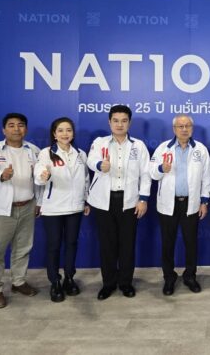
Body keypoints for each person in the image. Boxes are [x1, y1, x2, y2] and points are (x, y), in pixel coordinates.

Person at [86, 105, 151, 300]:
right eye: (115, 120)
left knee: (127, 245)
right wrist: (100, 165)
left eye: (124, 121)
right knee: (107, 245)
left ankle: (125, 283)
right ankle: (108, 284)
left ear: (129, 123)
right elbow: (90, 161)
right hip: (104, 202)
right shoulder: (100, 143)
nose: (119, 124)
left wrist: (143, 199)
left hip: (129, 202)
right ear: (109, 122)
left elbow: (146, 174)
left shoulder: (138, 146)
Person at [0, 112, 40, 309]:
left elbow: (39, 179)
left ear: (26, 129)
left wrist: (39, 202)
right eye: (11, 125)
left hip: (27, 206)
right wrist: (2, 175)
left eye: (20, 125)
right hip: (0, 209)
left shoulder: (33, 150)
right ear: (4, 129)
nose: (16, 129)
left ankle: (18, 282)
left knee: (23, 248)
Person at [150, 114, 210, 296]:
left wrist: (204, 201)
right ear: (174, 129)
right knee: (167, 243)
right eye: (180, 126)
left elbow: (207, 177)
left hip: (191, 204)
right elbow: (151, 173)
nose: (184, 129)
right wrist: (161, 169)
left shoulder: (200, 150)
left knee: (191, 243)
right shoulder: (163, 148)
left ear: (192, 128)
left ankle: (190, 276)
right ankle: (169, 278)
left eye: (187, 126)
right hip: (168, 204)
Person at [34, 117, 90, 302]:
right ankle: (55, 281)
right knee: (54, 245)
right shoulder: (46, 153)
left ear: (73, 133)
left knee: (72, 243)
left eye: (68, 130)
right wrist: (43, 176)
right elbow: (38, 173)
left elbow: (86, 179)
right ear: (54, 134)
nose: (65, 134)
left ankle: (69, 278)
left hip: (75, 207)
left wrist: (86, 200)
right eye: (60, 130)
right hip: (53, 208)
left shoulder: (80, 154)